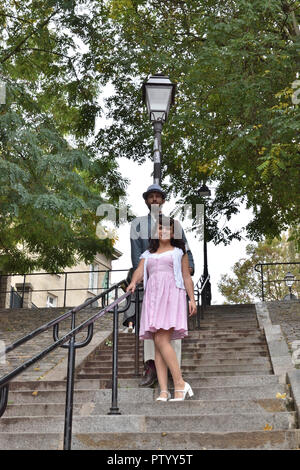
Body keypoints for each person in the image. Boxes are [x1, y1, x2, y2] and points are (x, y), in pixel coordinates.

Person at [124, 183, 195, 387]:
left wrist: (189, 268)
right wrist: (137, 278)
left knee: (173, 327)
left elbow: (185, 250)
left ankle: (175, 371)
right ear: (146, 200)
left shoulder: (175, 225)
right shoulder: (137, 225)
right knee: (151, 327)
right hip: (152, 280)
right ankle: (151, 367)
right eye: (151, 196)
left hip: (173, 280)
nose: (154, 199)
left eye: (158, 196)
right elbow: (137, 255)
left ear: (163, 200)